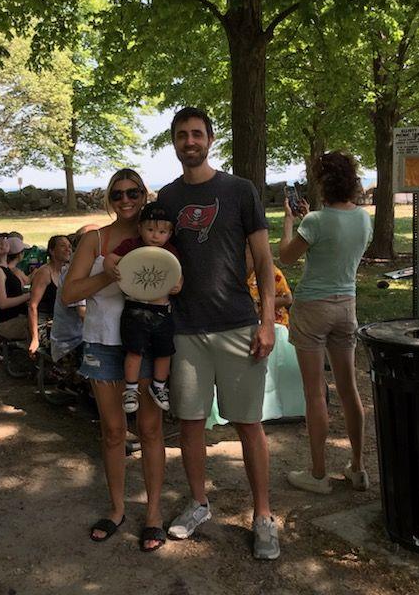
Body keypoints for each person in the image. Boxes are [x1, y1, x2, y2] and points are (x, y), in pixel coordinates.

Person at [156, 107, 279, 560]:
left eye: (197, 134)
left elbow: (264, 261)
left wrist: (267, 321)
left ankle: (263, 515)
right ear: (174, 142)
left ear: (210, 139)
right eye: (181, 135)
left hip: (237, 325)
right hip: (185, 330)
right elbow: (154, 256)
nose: (189, 141)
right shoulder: (167, 198)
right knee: (190, 423)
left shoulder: (239, 190)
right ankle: (198, 503)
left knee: (249, 424)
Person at [62, 169, 167, 552]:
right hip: (103, 344)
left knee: (150, 430)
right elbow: (68, 293)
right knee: (112, 431)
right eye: (118, 193)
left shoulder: (156, 233)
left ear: (143, 195)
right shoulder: (96, 239)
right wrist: (108, 273)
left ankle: (153, 514)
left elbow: (176, 278)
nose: (126, 200)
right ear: (110, 198)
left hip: (147, 344)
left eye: (133, 192)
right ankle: (117, 508)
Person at [279, 150, 373, 494]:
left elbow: (286, 257)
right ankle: (358, 468)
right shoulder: (363, 219)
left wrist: (290, 222)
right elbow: (337, 242)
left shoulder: (315, 222)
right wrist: (310, 219)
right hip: (346, 307)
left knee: (315, 391)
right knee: (349, 389)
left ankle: (318, 474)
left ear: (323, 182)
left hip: (312, 309)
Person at [103, 202, 183, 414]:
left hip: (162, 311)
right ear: (140, 228)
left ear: (170, 233)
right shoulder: (132, 246)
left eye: (162, 232)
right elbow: (110, 258)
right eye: (150, 229)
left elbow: (177, 273)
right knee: (134, 351)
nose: (155, 236)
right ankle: (130, 389)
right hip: (135, 309)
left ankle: (159, 386)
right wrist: (110, 267)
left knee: (164, 351)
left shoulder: (170, 251)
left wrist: (178, 285)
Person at [49, 224, 100, 380]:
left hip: (76, 340)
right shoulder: (76, 274)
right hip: (70, 345)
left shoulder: (85, 268)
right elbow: (83, 314)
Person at [27, 235, 72, 358]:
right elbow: (32, 306)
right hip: (44, 323)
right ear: (52, 251)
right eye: (62, 246)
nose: (68, 249)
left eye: (69, 246)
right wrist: (35, 338)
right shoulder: (44, 273)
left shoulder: (67, 271)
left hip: (60, 321)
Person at [0, 232, 31, 339]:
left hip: (19, 317)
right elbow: (3, 303)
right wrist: (29, 295)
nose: (2, 242)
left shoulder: (6, 268)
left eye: (3, 239)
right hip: (11, 323)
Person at [245, 243, 292, 328]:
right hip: (250, 323)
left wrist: (261, 305)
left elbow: (288, 299)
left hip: (276, 322)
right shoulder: (238, 274)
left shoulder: (273, 273)